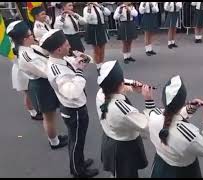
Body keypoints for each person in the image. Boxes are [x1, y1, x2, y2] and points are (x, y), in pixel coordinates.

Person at [40, 29, 99, 178]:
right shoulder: (56, 69)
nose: (70, 46)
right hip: (73, 109)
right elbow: (72, 93)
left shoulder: (62, 59)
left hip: (76, 107)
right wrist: (79, 72)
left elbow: (87, 61)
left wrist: (83, 57)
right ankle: (78, 171)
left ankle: (78, 162)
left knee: (78, 140)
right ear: (59, 49)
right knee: (76, 142)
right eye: (67, 44)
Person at [143, 75, 203, 178]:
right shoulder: (189, 136)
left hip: (160, 164)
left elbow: (170, 116)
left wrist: (190, 108)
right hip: (183, 172)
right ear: (183, 102)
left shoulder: (153, 116)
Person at [7, 20, 68, 149]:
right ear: (24, 38)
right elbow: (46, 72)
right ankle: (54, 142)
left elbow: (45, 52)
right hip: (41, 86)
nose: (33, 36)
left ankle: (55, 137)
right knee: (49, 117)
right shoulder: (26, 56)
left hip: (44, 84)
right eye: (30, 35)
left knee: (51, 115)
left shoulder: (31, 48)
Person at [96, 60, 149, 177]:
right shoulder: (123, 110)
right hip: (123, 147)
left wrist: (132, 86)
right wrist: (149, 101)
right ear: (119, 84)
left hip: (110, 138)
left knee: (118, 172)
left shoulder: (101, 93)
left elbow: (120, 84)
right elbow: (146, 125)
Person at [6, 21, 43, 121]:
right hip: (21, 72)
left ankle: (36, 108)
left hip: (26, 69)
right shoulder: (14, 48)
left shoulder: (18, 43)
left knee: (32, 93)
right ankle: (32, 112)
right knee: (28, 94)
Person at [83, 2, 111, 72]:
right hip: (93, 28)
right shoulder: (86, 8)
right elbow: (87, 19)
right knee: (96, 49)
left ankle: (101, 64)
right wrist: (89, 8)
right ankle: (98, 67)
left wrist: (98, 5)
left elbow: (108, 13)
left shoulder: (99, 7)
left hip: (101, 27)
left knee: (102, 48)